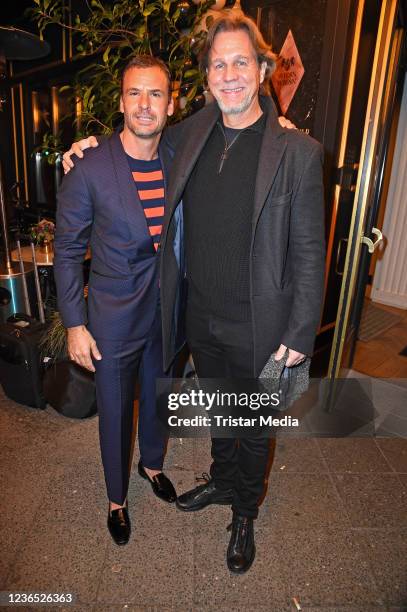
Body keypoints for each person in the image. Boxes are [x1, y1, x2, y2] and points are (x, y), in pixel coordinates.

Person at [62, 10, 324, 573]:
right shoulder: (192, 133)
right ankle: (222, 482)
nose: (229, 74)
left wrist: (300, 333)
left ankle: (245, 512)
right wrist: (85, 147)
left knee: (253, 422)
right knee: (221, 411)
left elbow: (308, 251)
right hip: (200, 313)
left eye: (241, 62)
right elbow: (137, 136)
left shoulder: (297, 153)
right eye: (218, 64)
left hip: (262, 320)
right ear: (206, 77)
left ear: (262, 71)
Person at [54, 55, 177, 547]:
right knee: (113, 410)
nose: (144, 105)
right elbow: (66, 251)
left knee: (158, 398)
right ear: (120, 100)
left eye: (155, 94)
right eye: (134, 93)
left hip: (166, 311)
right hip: (112, 316)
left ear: (171, 103)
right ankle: (116, 499)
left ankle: (152, 464)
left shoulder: (180, 153)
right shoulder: (89, 167)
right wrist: (74, 324)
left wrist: (277, 119)